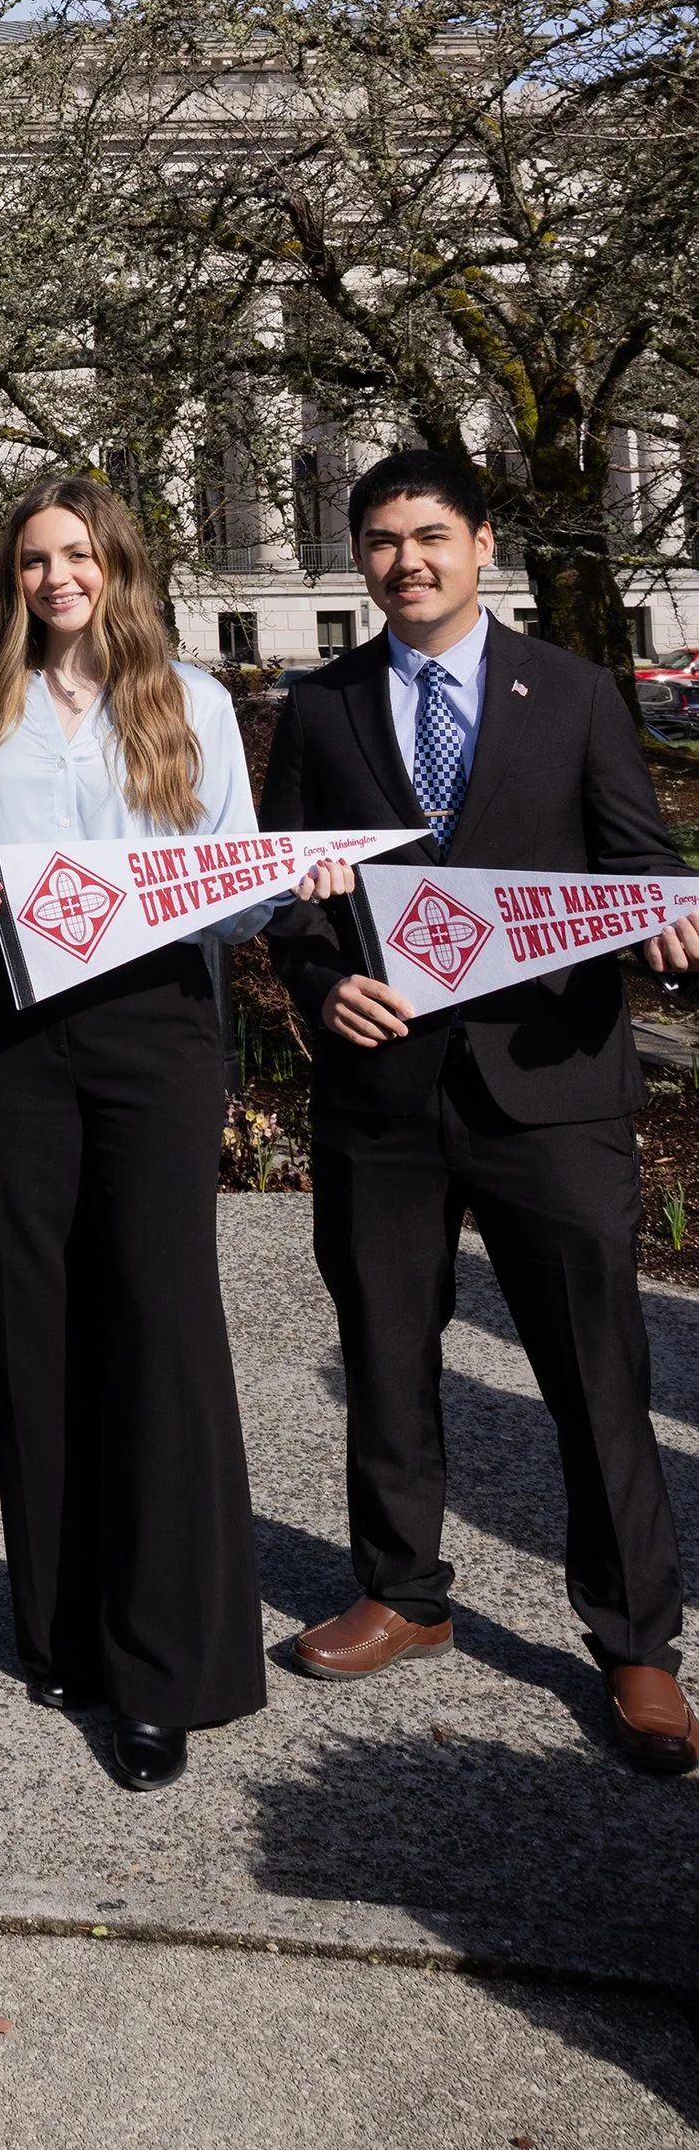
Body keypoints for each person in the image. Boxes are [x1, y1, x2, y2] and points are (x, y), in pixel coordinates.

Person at [260, 445, 699, 1774]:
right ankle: (404, 1593)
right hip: (384, 1093)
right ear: (360, 557)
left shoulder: (567, 692)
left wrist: (670, 927)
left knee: (595, 1372)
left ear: (482, 540)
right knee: (390, 1353)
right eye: (384, 539)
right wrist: (326, 983)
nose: (408, 559)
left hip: (550, 1086)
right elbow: (291, 890)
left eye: (431, 534)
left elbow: (638, 859)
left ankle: (634, 1643)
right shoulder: (321, 705)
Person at [0, 473, 269, 1790]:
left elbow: (237, 890)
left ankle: (165, 1666)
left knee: (161, 1324)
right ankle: (64, 1625)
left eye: (76, 554)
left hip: (155, 1029)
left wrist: (287, 878)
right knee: (37, 1318)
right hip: (17, 1029)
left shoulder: (195, 700)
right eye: (32, 558)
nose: (55, 577)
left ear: (117, 565)